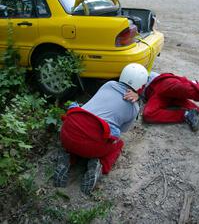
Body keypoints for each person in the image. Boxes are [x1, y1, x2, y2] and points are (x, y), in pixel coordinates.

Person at [54, 63, 148, 194]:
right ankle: (100, 165)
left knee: (80, 137)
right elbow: (121, 131)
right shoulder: (134, 108)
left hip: (69, 131)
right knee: (118, 144)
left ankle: (68, 158)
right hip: (93, 144)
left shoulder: (108, 84)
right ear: (141, 86)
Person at [124, 71, 199, 131]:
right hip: (157, 92)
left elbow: (140, 74)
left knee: (180, 88)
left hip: (159, 83)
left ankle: (195, 88)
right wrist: (138, 94)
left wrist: (138, 92)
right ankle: (187, 114)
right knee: (148, 114)